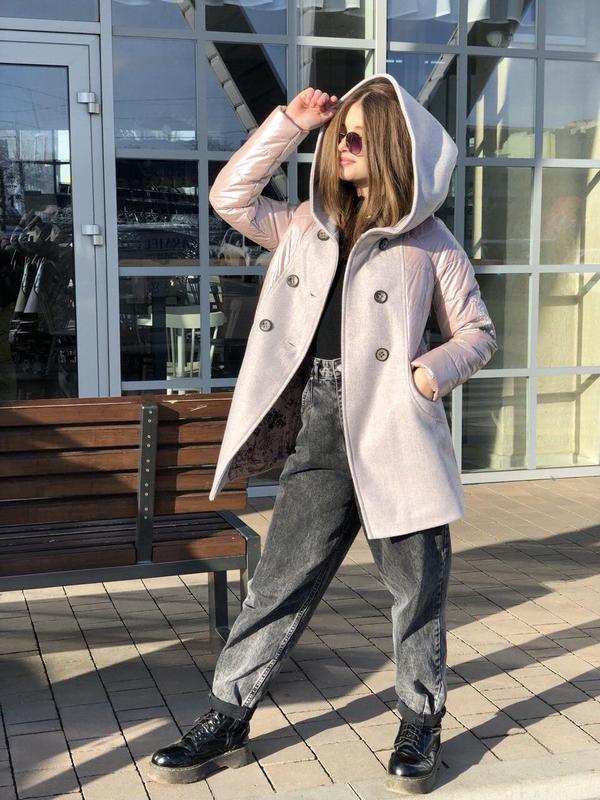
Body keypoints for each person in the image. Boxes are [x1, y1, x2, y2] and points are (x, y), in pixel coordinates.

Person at [149, 74, 498, 794]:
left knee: (416, 592)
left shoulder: (429, 242)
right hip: (320, 423)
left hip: (396, 430)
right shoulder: (303, 227)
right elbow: (230, 197)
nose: (344, 144)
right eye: (342, 133)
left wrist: (427, 375)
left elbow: (477, 333)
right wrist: (291, 123)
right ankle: (227, 716)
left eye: (360, 136)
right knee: (276, 582)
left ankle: (420, 721)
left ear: (394, 148)